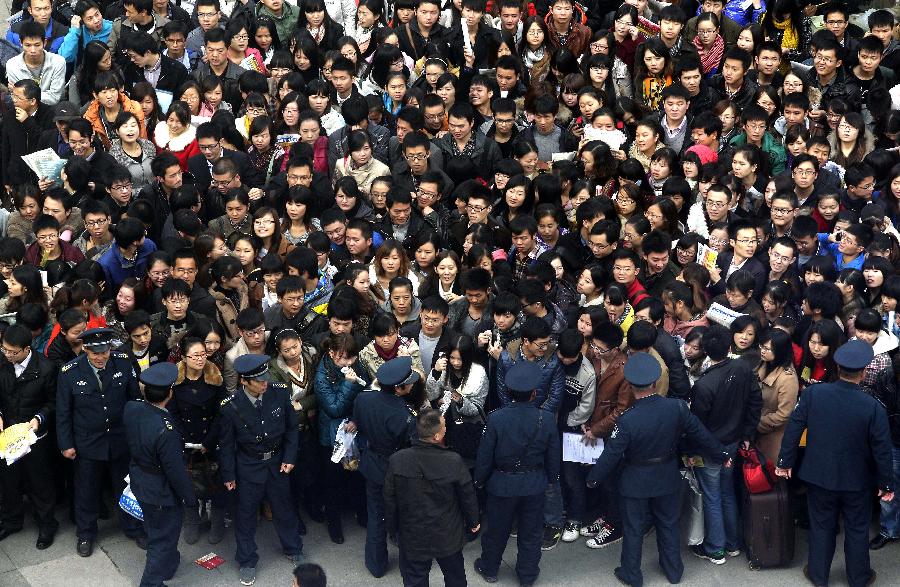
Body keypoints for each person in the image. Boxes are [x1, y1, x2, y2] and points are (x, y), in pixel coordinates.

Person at [587, 352, 729, 587]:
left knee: (633, 529)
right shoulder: (677, 408)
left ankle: (632, 574)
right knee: (668, 524)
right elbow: (701, 434)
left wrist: (593, 478)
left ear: (631, 385)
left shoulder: (627, 420)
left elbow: (611, 454)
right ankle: (673, 571)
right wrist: (722, 454)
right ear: (654, 383)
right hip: (667, 476)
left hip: (634, 481)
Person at [776, 340, 894, 587]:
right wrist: (886, 483)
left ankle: (819, 575)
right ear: (863, 373)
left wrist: (786, 461)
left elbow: (794, 427)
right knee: (857, 528)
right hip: (858, 480)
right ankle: (859, 577)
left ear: (838, 368)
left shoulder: (813, 394)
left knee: (821, 526)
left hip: (819, 475)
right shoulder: (873, 407)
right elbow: (882, 450)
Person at [55, 327, 144, 557]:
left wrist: (137, 435)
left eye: (104, 352)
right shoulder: (69, 372)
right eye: (95, 353)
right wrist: (66, 444)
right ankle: (85, 533)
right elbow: (63, 412)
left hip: (119, 438)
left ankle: (133, 527)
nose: (100, 357)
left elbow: (134, 400)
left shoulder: (123, 362)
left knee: (125, 487)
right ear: (85, 349)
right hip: (87, 442)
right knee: (86, 491)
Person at [218, 354, 303, 586]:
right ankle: (247, 560)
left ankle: (293, 547)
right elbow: (226, 445)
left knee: (284, 508)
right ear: (245, 381)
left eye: (266, 377)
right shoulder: (230, 407)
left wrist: (289, 457)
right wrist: (229, 475)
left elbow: (292, 429)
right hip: (248, 466)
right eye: (259, 380)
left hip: (277, 462)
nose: (265, 382)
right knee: (245, 515)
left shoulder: (279, 392)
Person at [473, 360, 559, 586]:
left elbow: (485, 455)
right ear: (534, 393)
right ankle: (527, 574)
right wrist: (551, 479)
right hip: (534, 483)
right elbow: (553, 455)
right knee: (531, 534)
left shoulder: (496, 418)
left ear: (508, 391)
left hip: (502, 484)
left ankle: (489, 568)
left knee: (496, 532)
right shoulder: (547, 419)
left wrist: (479, 481)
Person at [384, 408, 480, 587]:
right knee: (455, 577)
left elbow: (390, 499)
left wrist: (392, 529)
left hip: (412, 535)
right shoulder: (453, 460)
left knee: (415, 579)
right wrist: (473, 522)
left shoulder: (397, 460)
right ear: (436, 436)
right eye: (444, 427)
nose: (446, 429)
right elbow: (468, 496)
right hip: (447, 534)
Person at [124, 362, 197, 587]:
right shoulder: (167, 430)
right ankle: (152, 583)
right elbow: (175, 471)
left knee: (157, 530)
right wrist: (190, 498)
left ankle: (169, 564)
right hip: (161, 492)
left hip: (140, 480)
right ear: (170, 393)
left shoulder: (131, 408)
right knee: (162, 540)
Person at [350, 356, 419, 578]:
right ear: (399, 388)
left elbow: (358, 424)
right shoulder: (405, 415)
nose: (412, 385)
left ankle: (376, 564)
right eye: (409, 382)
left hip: (373, 465)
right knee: (406, 517)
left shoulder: (363, 399)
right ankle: (410, 563)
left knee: (376, 516)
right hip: (399, 471)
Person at [0, 324, 59, 549]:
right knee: (9, 481)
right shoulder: (2, 363)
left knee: (39, 482)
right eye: (4, 349)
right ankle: (12, 520)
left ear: (26, 349)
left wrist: (38, 418)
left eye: (12, 351)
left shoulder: (45, 368)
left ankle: (46, 524)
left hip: (35, 437)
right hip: (7, 435)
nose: (7, 355)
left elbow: (53, 402)